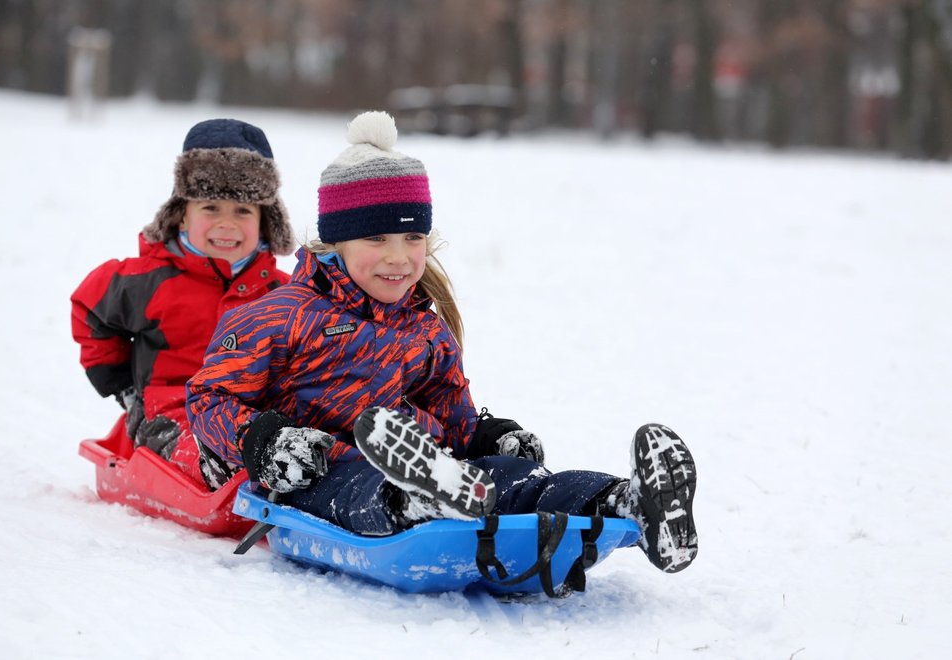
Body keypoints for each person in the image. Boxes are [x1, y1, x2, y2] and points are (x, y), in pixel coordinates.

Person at [187, 111, 698, 573]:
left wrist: (485, 438)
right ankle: (418, 501)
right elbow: (209, 397)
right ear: (334, 242)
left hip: (436, 465)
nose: (399, 257)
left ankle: (624, 504)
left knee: (514, 479)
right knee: (359, 488)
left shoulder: (424, 327)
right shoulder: (281, 315)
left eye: (412, 239)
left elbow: (449, 411)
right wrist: (265, 442)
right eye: (377, 239)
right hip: (320, 475)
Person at [71, 118, 295, 482]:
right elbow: (89, 307)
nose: (227, 224)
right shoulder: (148, 278)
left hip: (250, 416)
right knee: (187, 445)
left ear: (265, 222)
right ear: (182, 215)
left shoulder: (281, 293)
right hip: (169, 410)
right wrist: (121, 384)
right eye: (210, 208)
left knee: (287, 435)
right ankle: (219, 471)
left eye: (243, 211)